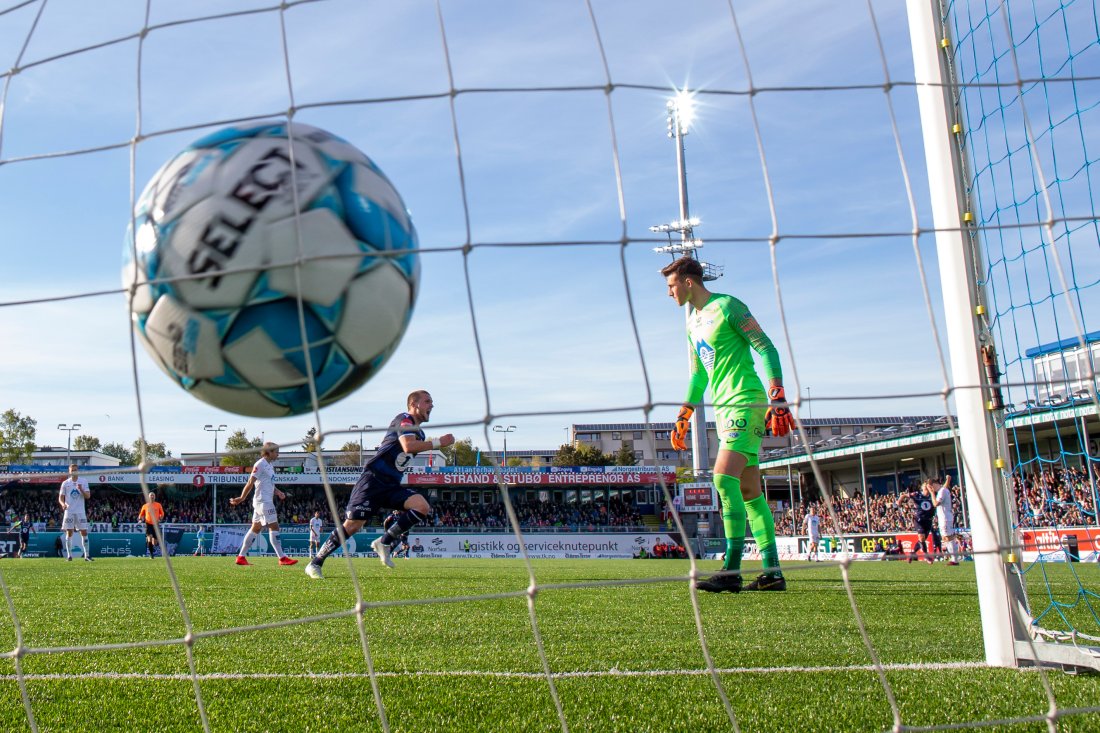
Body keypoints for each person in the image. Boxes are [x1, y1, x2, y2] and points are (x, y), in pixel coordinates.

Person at [662, 256, 794, 593]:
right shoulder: (691, 324)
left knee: (722, 478)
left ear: (688, 282)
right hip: (724, 410)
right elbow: (699, 375)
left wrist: (776, 393)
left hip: (746, 400)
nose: (669, 293)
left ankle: (731, 569)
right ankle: (773, 572)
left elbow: (767, 348)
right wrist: (685, 413)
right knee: (749, 492)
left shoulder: (728, 306)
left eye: (671, 285)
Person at [305, 390, 455, 579]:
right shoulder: (404, 418)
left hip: (391, 484)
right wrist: (439, 442)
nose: (431, 405)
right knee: (352, 525)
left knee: (422, 506)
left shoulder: (421, 432)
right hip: (373, 480)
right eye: (427, 401)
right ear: (414, 404)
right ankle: (315, 563)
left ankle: (384, 542)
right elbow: (408, 446)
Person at [229, 442, 298, 567]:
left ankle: (241, 557)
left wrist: (278, 492)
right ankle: (282, 558)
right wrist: (242, 497)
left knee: (255, 528)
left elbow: (269, 484)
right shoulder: (260, 464)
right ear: (269, 452)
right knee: (274, 526)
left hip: (263, 502)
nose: (278, 455)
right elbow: (251, 482)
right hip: (263, 502)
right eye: (276, 452)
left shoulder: (269, 466)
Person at [58, 464, 93, 562]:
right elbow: (61, 498)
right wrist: (62, 504)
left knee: (84, 532)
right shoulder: (65, 483)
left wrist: (81, 489)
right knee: (69, 532)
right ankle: (69, 556)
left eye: (75, 470)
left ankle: (87, 555)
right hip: (69, 511)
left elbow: (88, 496)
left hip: (80, 511)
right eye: (72, 470)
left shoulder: (83, 481)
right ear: (69, 471)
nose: (74, 471)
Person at [898, 481, 936, 565]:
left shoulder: (932, 496)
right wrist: (900, 500)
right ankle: (926, 556)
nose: (927, 489)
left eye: (928, 487)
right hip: (919, 520)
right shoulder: (917, 494)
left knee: (921, 541)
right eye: (925, 487)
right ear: (922, 488)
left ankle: (912, 554)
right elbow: (904, 495)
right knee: (921, 538)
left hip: (928, 520)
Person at [933, 475, 960, 566]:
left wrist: (932, 493)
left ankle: (955, 560)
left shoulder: (942, 491)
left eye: (932, 486)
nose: (932, 489)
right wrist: (948, 480)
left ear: (935, 484)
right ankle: (954, 559)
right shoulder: (943, 490)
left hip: (945, 518)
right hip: (944, 517)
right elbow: (944, 487)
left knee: (948, 537)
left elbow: (936, 503)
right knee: (946, 538)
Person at [138, 491, 165, 560]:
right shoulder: (145, 506)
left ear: (155, 497)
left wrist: (160, 519)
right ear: (148, 497)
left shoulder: (158, 505)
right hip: (148, 524)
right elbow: (141, 514)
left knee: (155, 542)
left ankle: (148, 540)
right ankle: (151, 555)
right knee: (150, 538)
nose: (152, 496)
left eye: (153, 495)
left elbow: (162, 514)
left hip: (156, 525)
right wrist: (140, 520)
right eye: (151, 495)